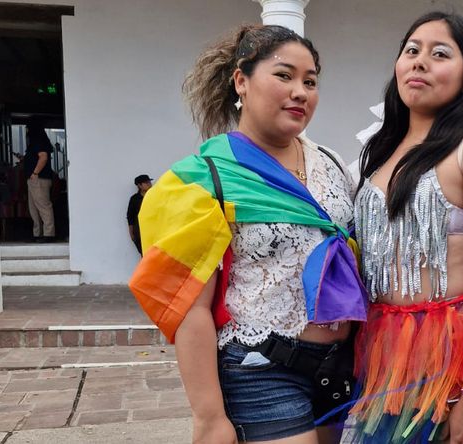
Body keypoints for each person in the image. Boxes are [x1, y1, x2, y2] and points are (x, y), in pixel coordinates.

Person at [129, 24, 366, 444]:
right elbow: (190, 307)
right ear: (242, 80)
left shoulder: (330, 162)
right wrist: (208, 417)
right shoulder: (208, 177)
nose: (300, 91)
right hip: (262, 369)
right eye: (284, 75)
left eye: (310, 81)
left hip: (341, 367)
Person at [348, 12, 463, 443]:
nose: (419, 62)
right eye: (411, 51)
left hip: (455, 357)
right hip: (385, 354)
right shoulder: (379, 152)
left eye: (439, 54)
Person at [23, 121, 55, 242]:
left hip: (39, 179)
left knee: (43, 207)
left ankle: (49, 234)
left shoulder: (38, 141)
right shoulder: (38, 141)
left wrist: (35, 173)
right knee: (34, 208)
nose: (27, 132)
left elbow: (43, 157)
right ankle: (38, 234)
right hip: (35, 179)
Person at [126, 174, 152, 255]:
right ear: (139, 185)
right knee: (144, 254)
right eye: (146, 183)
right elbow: (130, 216)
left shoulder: (154, 196)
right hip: (140, 230)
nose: (149, 184)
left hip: (154, 228)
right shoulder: (134, 199)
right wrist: (131, 232)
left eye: (149, 182)